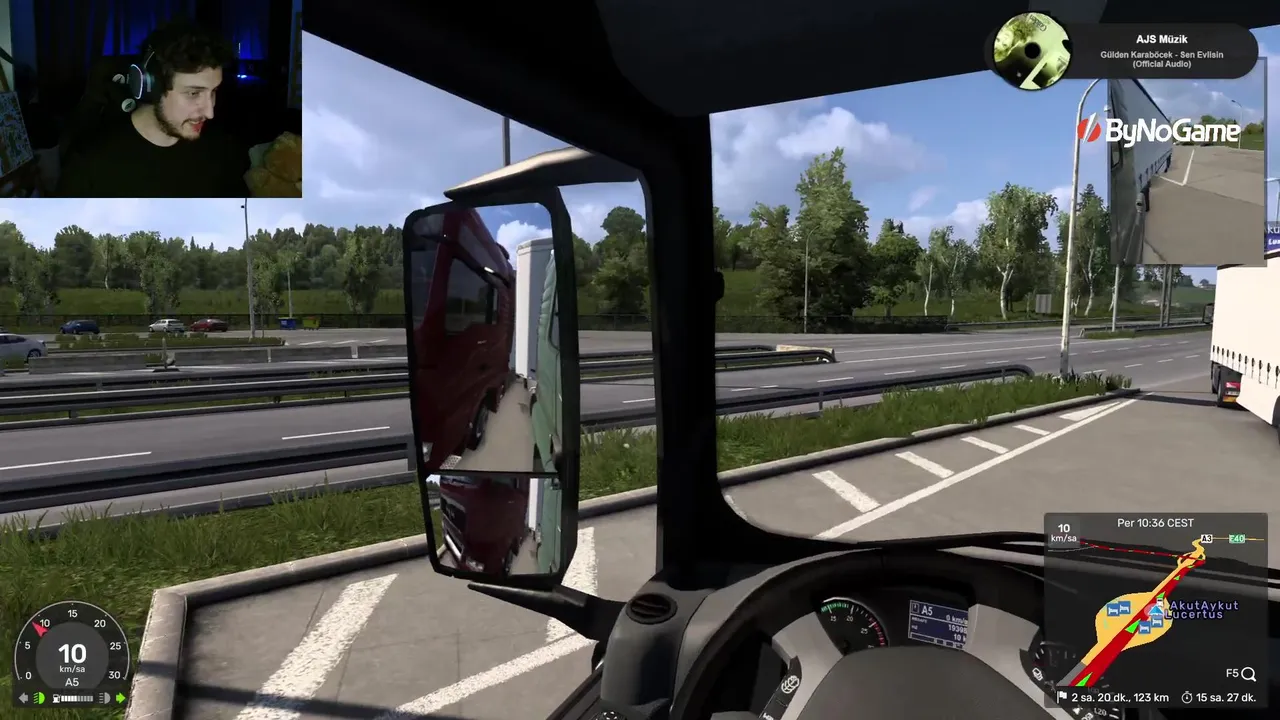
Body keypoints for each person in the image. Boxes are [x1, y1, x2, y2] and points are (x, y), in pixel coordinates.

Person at [56, 18, 248, 198]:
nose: (209, 112)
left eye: (213, 91)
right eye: (193, 93)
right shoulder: (89, 163)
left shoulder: (223, 153)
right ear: (151, 87)